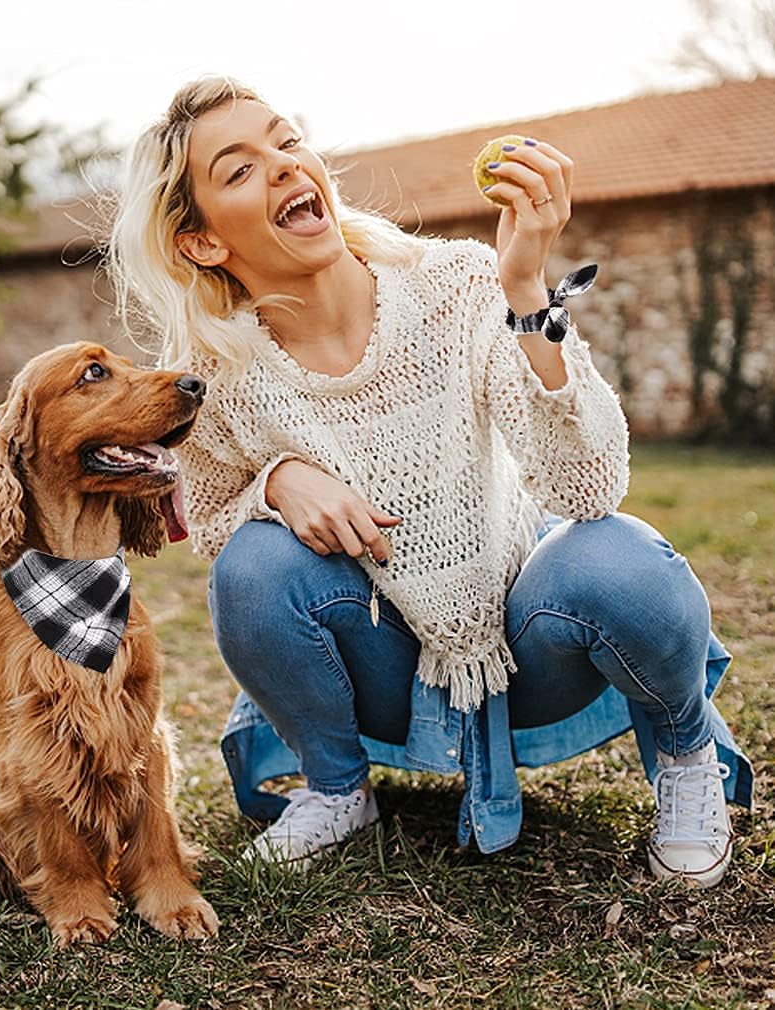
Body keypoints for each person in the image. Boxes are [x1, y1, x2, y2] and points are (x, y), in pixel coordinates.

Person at [108, 77, 752, 887]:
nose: (282, 166)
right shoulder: (216, 373)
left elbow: (586, 487)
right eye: (238, 170)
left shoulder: (455, 285)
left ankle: (687, 754)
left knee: (616, 558)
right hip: (385, 671)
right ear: (201, 242)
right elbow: (206, 518)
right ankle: (338, 790)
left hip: (528, 647)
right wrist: (275, 484)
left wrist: (523, 291)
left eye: (285, 140)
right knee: (252, 565)